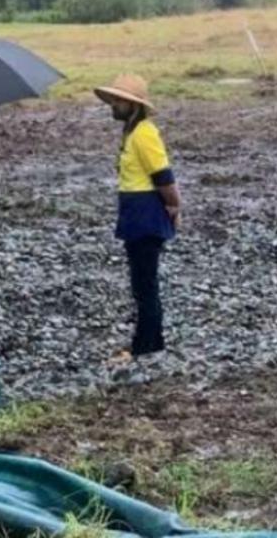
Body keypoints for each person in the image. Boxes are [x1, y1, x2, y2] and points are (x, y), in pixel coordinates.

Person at [94, 75, 182, 361]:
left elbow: (162, 175)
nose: (113, 105)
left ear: (133, 105)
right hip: (135, 210)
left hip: (145, 211)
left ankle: (147, 345)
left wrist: (174, 206)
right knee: (141, 282)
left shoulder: (144, 133)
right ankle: (149, 340)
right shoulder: (132, 133)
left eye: (118, 100)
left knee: (145, 283)